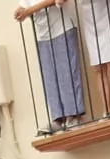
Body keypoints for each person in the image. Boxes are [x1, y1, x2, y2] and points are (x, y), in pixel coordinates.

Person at [16, 0, 87, 129]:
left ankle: (75, 115)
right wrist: (20, 11)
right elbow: (24, 5)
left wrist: (29, 11)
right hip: (42, 35)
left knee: (68, 73)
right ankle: (58, 118)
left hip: (63, 27)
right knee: (50, 78)